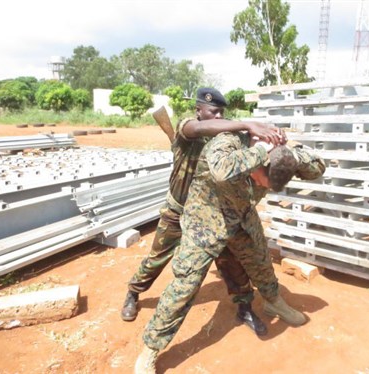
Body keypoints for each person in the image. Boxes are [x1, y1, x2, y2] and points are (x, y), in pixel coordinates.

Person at [135, 130, 326, 373]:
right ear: (260, 159)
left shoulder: (279, 156)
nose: (259, 185)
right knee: (186, 283)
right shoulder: (227, 143)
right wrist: (259, 150)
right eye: (259, 180)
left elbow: (319, 167)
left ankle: (273, 302)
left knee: (261, 263)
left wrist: (293, 152)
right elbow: (220, 169)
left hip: (242, 218)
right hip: (205, 220)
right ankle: (151, 348)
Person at [121, 87, 286, 337]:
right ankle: (134, 292)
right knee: (158, 258)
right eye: (214, 111)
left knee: (232, 262)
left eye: (222, 112)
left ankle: (244, 307)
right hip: (178, 210)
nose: (219, 116)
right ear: (199, 111)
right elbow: (196, 129)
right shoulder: (188, 128)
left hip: (210, 216)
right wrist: (245, 123)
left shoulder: (224, 139)